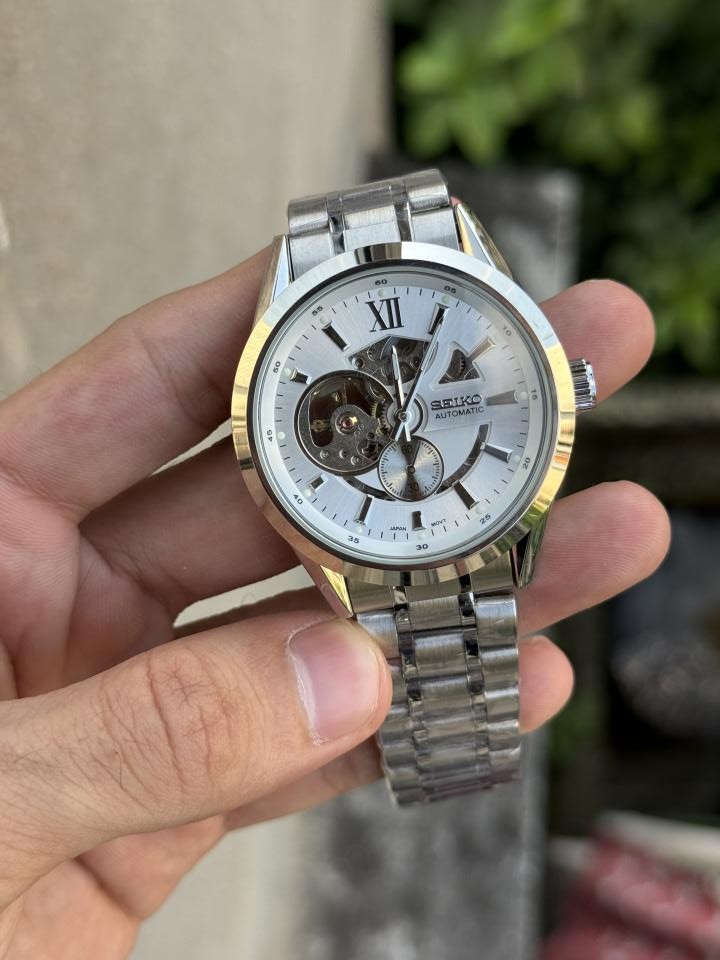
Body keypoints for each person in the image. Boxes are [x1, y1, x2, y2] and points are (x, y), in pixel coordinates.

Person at [0, 249, 670, 955]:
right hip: (371, 531)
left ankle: (452, 756)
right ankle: (446, 757)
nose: (401, 419)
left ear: (567, 387)